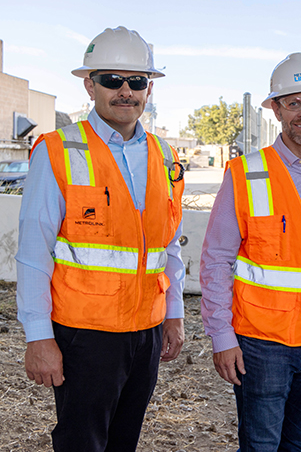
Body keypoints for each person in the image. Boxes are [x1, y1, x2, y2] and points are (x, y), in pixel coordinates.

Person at [16, 26, 186, 451]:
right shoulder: (58, 150)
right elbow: (34, 251)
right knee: (81, 443)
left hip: (145, 330)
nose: (125, 91)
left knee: (123, 441)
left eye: (137, 81)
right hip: (84, 335)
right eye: (112, 80)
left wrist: (174, 313)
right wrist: (38, 337)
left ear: (149, 89)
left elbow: (169, 245)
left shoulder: (165, 155)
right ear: (90, 85)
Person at [199, 52, 301, 452]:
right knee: (259, 445)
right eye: (294, 103)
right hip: (261, 342)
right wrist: (221, 335)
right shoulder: (245, 175)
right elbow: (216, 260)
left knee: (299, 443)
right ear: (276, 109)